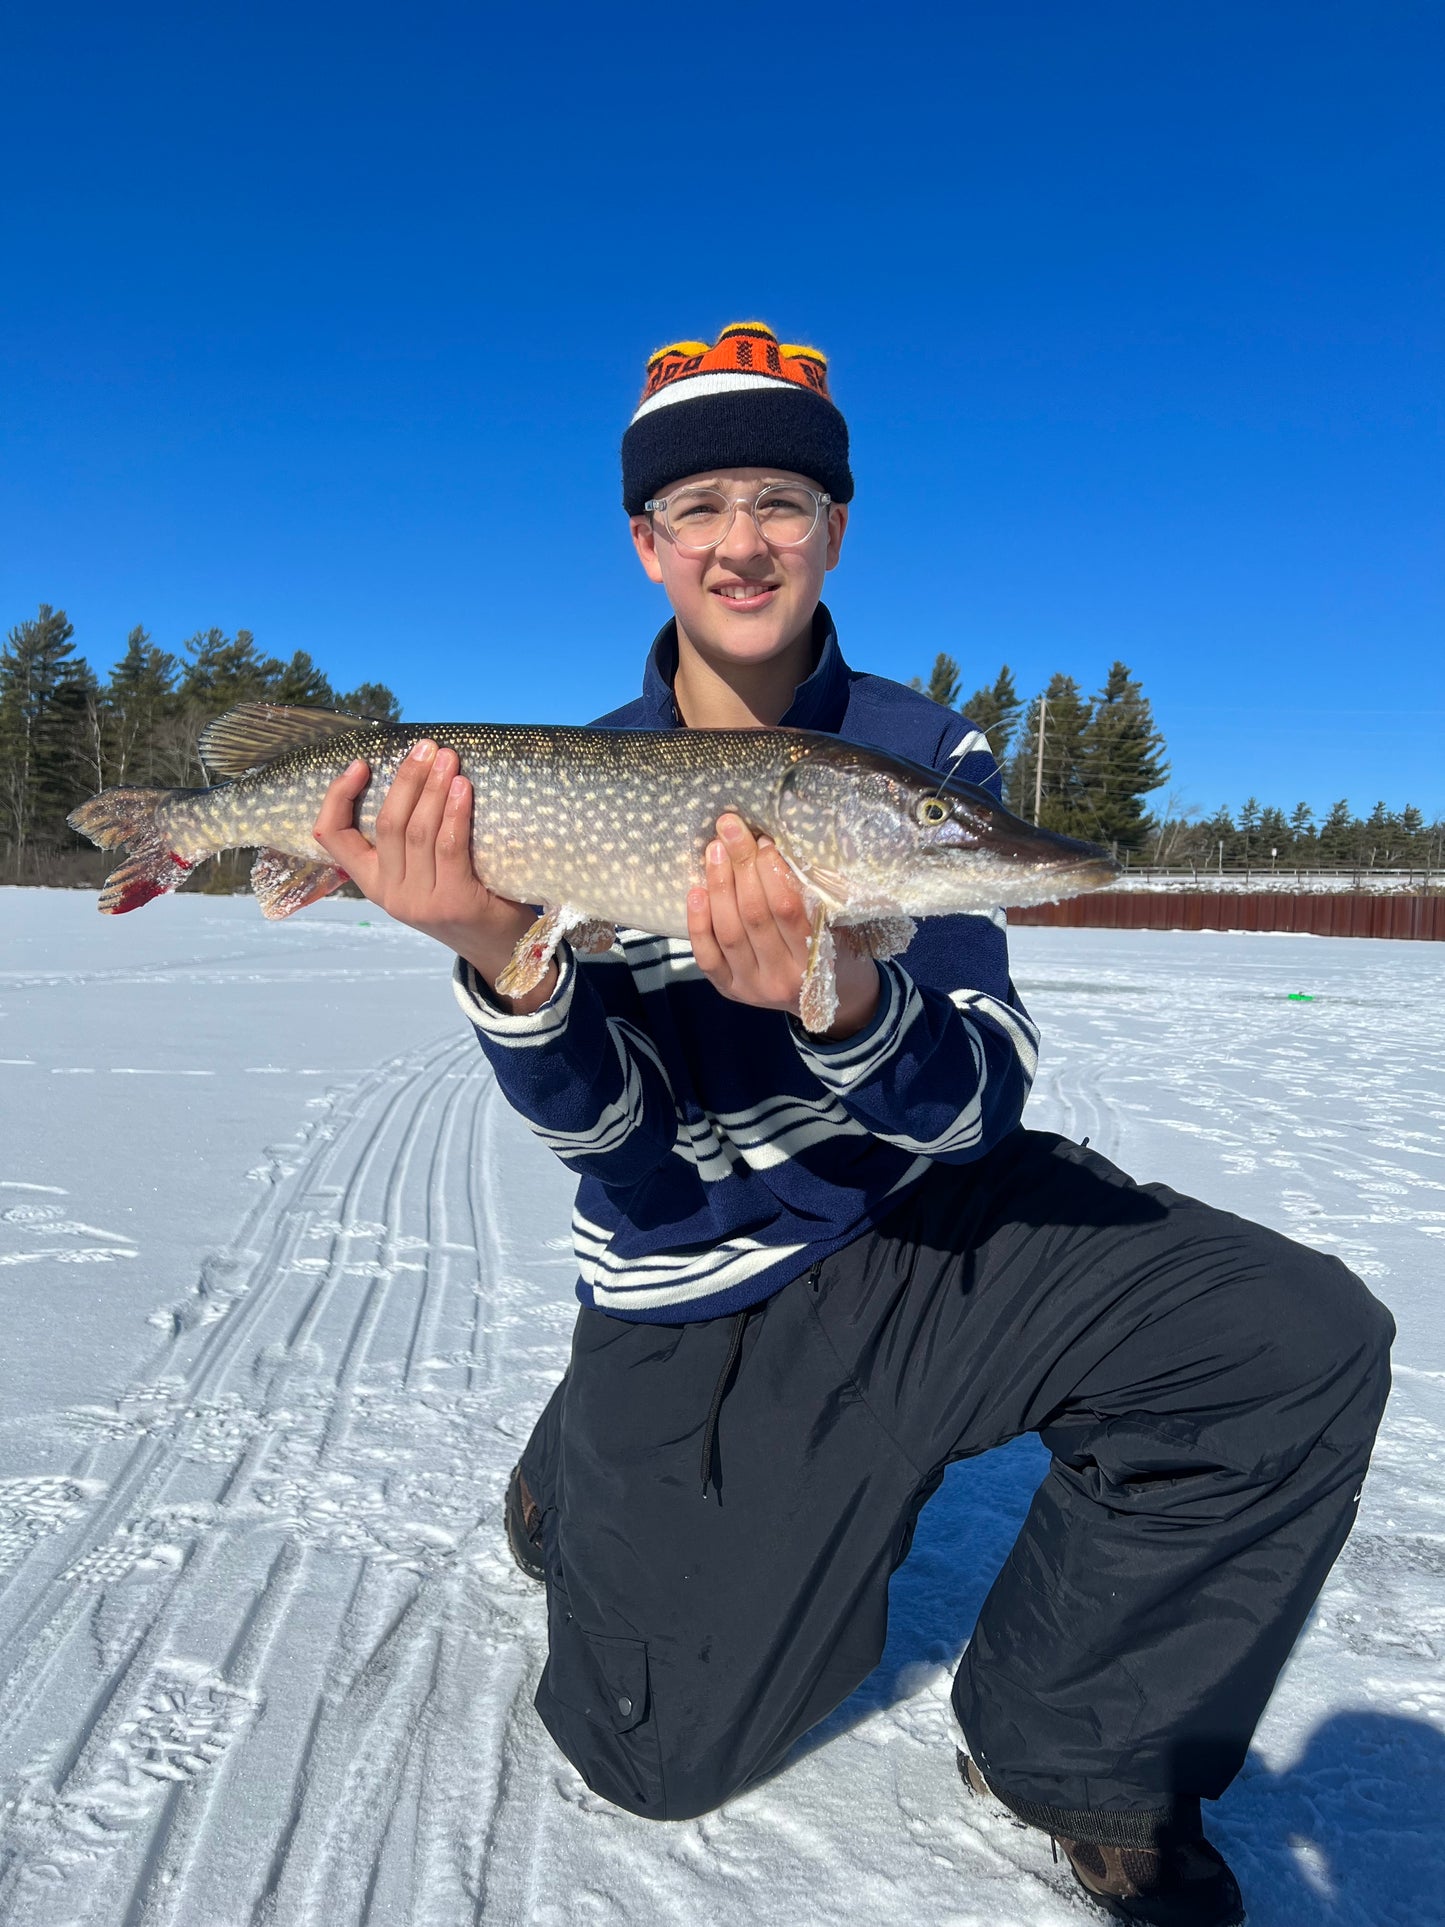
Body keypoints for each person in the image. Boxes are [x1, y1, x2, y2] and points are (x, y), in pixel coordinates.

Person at [313, 322, 1394, 1926]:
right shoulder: (578, 781)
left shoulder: (910, 754)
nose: (740, 541)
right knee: (659, 1757)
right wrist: (496, 953)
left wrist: (837, 1007)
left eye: (780, 499)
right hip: (704, 1265)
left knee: (1290, 1332)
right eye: (697, 508)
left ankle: (1072, 1754)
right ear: (645, 542)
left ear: (834, 523)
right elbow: (619, 1148)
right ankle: (578, 1473)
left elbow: (980, 1102)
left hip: (923, 1226)